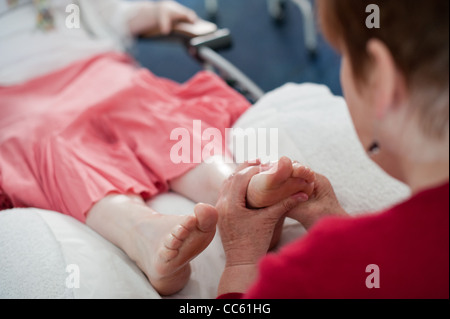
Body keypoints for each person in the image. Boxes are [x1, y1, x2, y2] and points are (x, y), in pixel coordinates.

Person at [0, 0, 316, 296]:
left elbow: (114, 12)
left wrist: (155, 12)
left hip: (95, 68)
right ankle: (144, 234)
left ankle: (233, 187)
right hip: (15, 98)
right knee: (54, 143)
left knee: (147, 106)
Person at [214, 0, 449, 298]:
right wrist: (332, 220)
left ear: (380, 81)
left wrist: (241, 262)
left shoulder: (307, 275)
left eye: (344, 58)